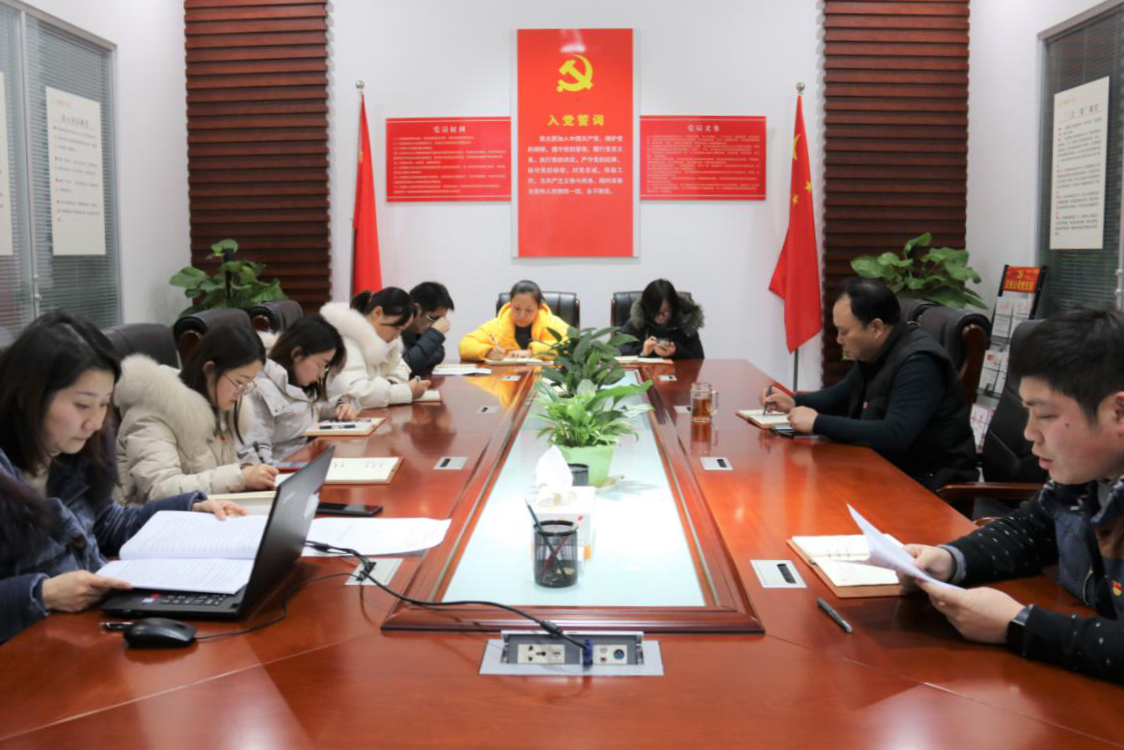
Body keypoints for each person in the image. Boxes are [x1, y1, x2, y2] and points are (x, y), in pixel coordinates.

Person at [901, 306, 1124, 684]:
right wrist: (949, 560)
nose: (1029, 433)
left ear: (1118, 412)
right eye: (1028, 413)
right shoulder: (1086, 477)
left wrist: (1018, 624)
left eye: (1046, 416)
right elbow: (1030, 529)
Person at [0, 312, 245, 643]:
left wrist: (187, 509)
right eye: (82, 405)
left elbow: (106, 525)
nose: (95, 423)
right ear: (28, 395)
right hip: (25, 650)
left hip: (84, 631)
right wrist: (41, 593)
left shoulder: (74, 453)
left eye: (104, 404)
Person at [761, 276, 977, 491]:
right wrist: (794, 402)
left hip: (928, 486)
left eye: (845, 332)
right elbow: (843, 394)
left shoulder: (920, 363)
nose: (839, 340)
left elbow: (895, 435)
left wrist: (817, 423)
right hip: (886, 469)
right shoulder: (879, 349)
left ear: (876, 327)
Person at [116, 324, 278, 504]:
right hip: (155, 519)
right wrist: (239, 477)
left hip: (202, 513)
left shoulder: (217, 406)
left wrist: (247, 475)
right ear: (210, 370)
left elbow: (217, 476)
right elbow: (158, 489)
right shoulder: (151, 411)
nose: (242, 393)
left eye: (248, 384)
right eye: (240, 382)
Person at [237, 315, 358, 465]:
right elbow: (254, 454)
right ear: (297, 354)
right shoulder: (261, 389)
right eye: (321, 365)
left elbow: (311, 412)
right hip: (282, 470)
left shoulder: (296, 384)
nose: (321, 374)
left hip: (304, 460)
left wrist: (342, 405)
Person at [320, 288, 430, 409]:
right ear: (377, 313)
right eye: (396, 327)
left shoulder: (387, 341)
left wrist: (391, 388)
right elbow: (353, 394)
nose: (397, 336)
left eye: (402, 330)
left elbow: (400, 369)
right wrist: (404, 392)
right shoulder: (346, 341)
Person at [458, 280, 570, 361]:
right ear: (510, 304)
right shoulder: (498, 324)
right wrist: (488, 352)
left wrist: (533, 352)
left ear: (539, 307)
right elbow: (465, 345)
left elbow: (573, 345)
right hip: (506, 380)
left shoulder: (552, 323)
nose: (522, 315)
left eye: (529, 310)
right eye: (516, 309)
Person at [616, 279, 705, 359]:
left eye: (666, 312)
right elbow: (616, 352)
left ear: (674, 308)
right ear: (647, 309)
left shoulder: (685, 323)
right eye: (656, 312)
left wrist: (676, 351)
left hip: (677, 371)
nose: (661, 317)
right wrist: (642, 351)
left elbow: (699, 358)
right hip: (644, 371)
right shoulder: (636, 323)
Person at [402, 281, 455, 377]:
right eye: (433, 318)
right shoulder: (394, 327)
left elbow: (439, 353)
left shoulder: (419, 329)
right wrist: (435, 333)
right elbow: (404, 366)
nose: (437, 324)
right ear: (417, 309)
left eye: (441, 319)